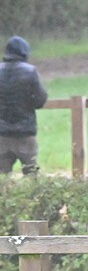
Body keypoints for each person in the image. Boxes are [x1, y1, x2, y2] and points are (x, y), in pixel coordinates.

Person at [0, 36, 48, 177]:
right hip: (25, 133)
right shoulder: (30, 71)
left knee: (2, 178)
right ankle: (32, 199)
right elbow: (40, 100)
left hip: (2, 134)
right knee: (31, 174)